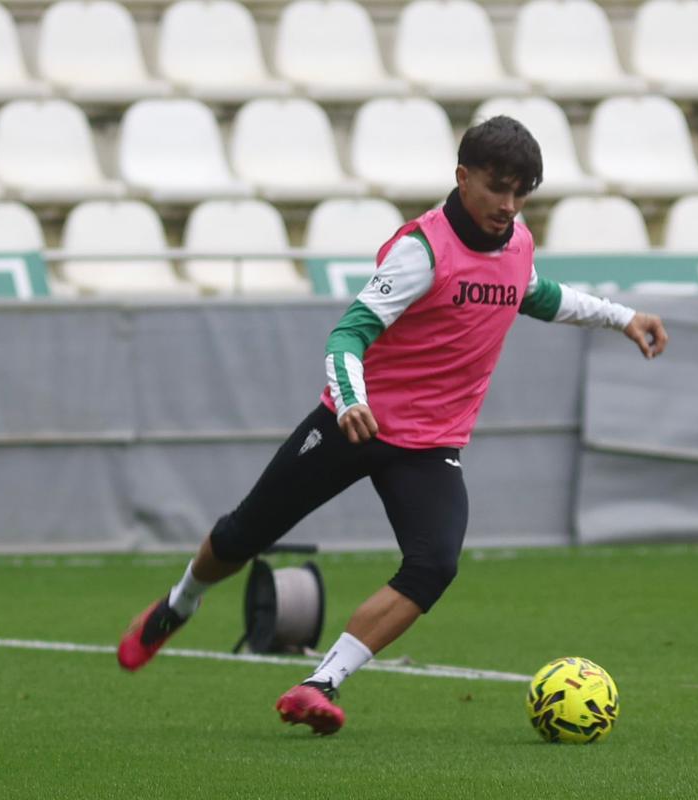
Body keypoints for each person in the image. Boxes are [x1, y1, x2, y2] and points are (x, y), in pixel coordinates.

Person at [116, 115, 669, 735]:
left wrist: (622, 318)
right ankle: (178, 604)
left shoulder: (516, 244)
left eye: (522, 192)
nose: (509, 206)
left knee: (434, 565)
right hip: (354, 422)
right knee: (245, 535)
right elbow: (349, 332)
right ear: (463, 178)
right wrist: (351, 398)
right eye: (498, 188)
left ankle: (318, 683)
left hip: (429, 446)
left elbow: (536, 294)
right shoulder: (421, 251)